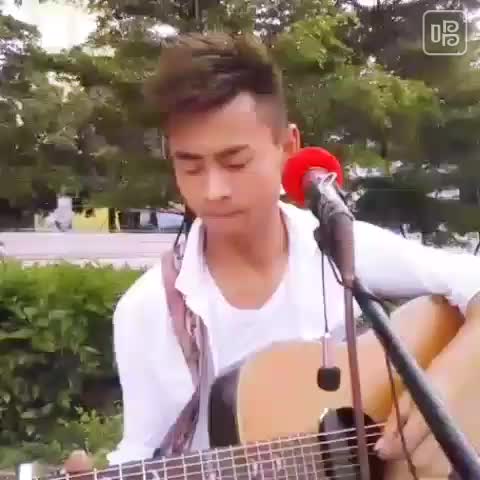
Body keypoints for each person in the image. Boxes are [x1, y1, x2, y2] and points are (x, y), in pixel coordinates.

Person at [65, 32, 480, 472]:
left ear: (288, 148)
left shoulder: (338, 248)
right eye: (190, 165)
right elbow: (142, 453)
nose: (214, 190)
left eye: (235, 162)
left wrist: (443, 388)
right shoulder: (150, 311)